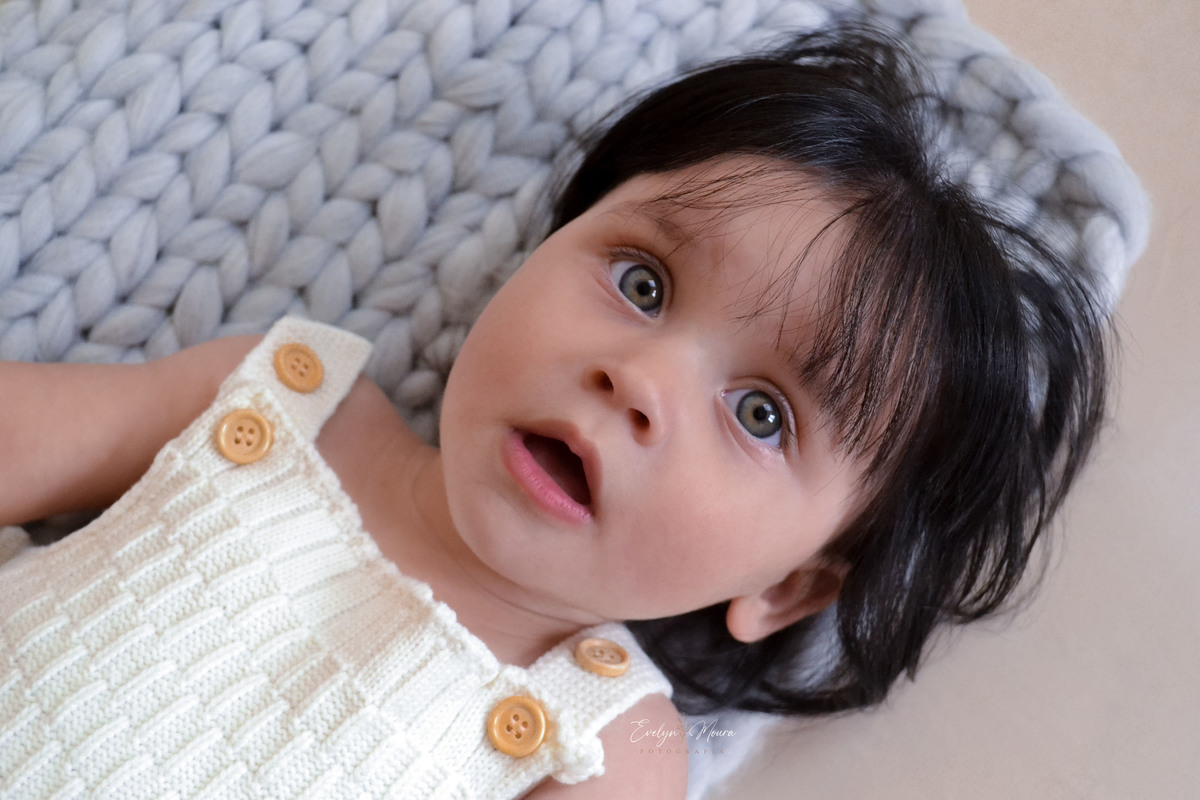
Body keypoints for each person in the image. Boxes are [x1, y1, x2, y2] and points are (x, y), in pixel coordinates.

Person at [0, 24, 1107, 800]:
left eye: (762, 413)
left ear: (789, 584)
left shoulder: (604, 742)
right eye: (642, 284)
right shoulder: (283, 399)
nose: (641, 378)